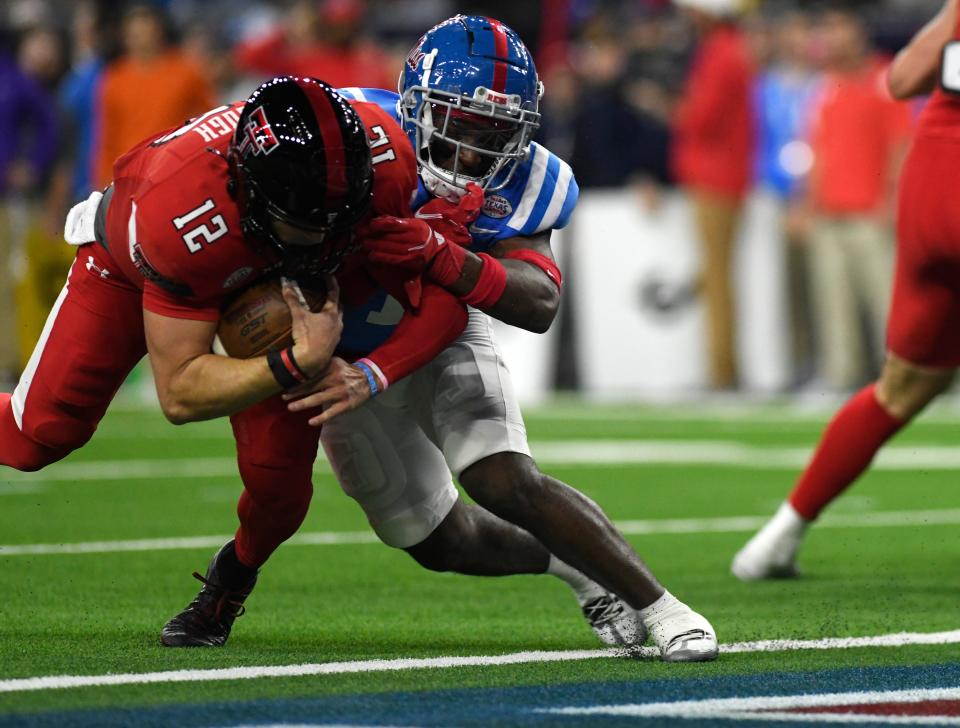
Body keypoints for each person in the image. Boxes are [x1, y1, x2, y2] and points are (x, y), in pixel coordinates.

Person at [242, 16, 715, 661]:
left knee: (502, 477)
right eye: (460, 126)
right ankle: (572, 566)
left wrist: (445, 258)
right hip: (343, 354)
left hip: (441, 334)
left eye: (492, 135)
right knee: (435, 542)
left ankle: (659, 606)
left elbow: (540, 301)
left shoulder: (528, 180)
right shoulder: (351, 137)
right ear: (414, 107)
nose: (471, 153)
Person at [0, 76, 470, 644]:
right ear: (251, 191)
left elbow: (446, 299)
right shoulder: (178, 215)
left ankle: (230, 581)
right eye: (309, 221)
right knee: (39, 435)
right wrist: (297, 361)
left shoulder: (387, 163)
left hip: (274, 274)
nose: (328, 233)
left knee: (280, 490)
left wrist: (371, 368)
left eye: (340, 217)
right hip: (135, 269)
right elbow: (178, 392)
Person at [732, 0, 957, 581]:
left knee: (899, 389)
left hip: (929, 191)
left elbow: (905, 78)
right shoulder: (829, 88)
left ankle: (778, 536)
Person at [671, 0, 755, 390]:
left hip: (714, 179)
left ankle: (722, 373)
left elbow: (701, 118)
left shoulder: (719, 54)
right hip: (725, 178)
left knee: (717, 278)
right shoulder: (729, 50)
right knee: (718, 277)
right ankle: (725, 368)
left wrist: (675, 110)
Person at [94, 4, 215, 188]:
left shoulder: (186, 71)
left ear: (159, 31)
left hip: (177, 171)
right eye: (135, 33)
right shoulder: (114, 79)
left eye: (146, 30)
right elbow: (108, 137)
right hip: (131, 177)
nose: (141, 38)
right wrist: (103, 184)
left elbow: (209, 118)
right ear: (125, 37)